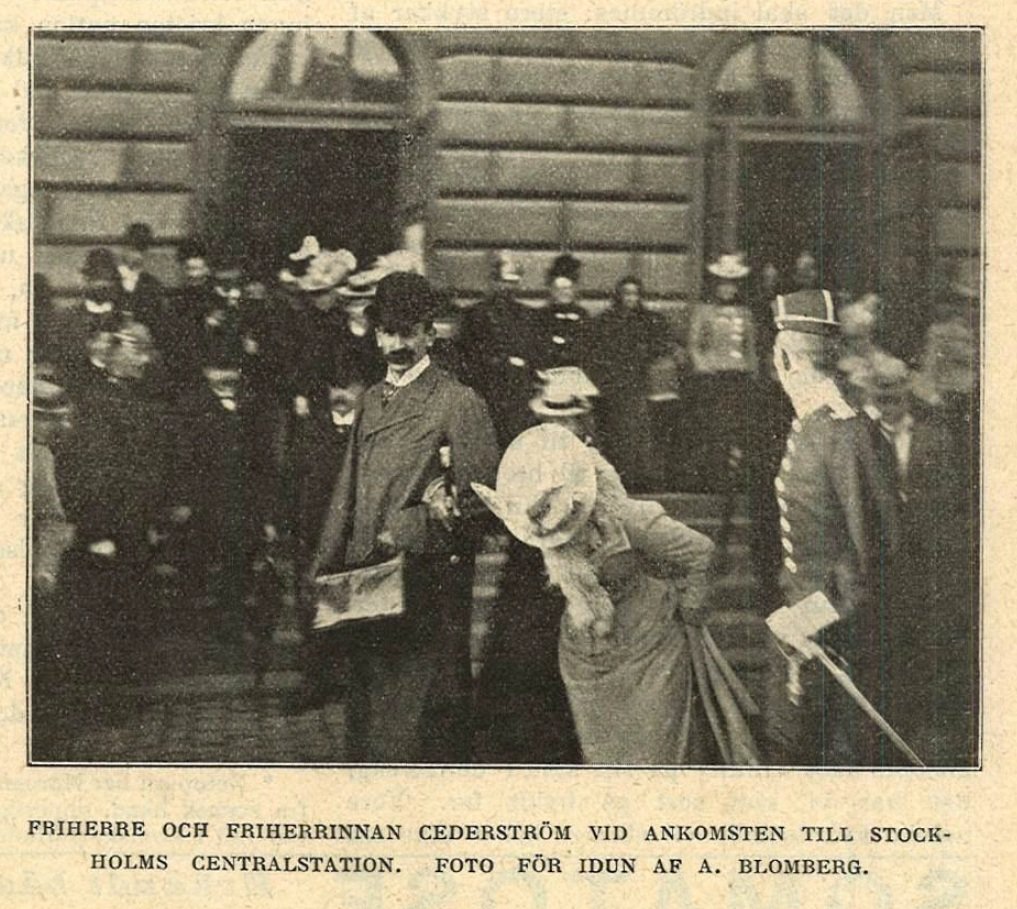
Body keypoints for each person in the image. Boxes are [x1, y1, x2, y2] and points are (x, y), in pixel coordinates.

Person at [473, 424, 759, 765]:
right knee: (605, 759)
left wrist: (690, 608)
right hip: (586, 658)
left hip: (652, 650)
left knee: (656, 756)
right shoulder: (542, 529)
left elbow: (701, 552)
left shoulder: (628, 519)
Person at [308, 271, 500, 762]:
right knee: (370, 708)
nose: (398, 343)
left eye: (409, 332)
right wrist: (329, 560)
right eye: (388, 332)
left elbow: (480, 502)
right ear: (375, 335)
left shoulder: (458, 401)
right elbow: (347, 488)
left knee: (421, 715)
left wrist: (411, 526)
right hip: (368, 575)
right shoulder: (371, 399)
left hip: (425, 580)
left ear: (429, 334)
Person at [762, 289, 901, 766]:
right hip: (804, 633)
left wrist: (809, 618)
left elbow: (872, 554)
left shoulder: (843, 433)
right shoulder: (812, 425)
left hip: (837, 642)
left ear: (787, 358)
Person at [586, 276, 674, 491]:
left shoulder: (650, 320)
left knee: (642, 434)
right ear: (619, 295)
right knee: (618, 434)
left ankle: (642, 479)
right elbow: (596, 352)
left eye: (635, 294)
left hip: (642, 385)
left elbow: (661, 347)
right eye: (627, 293)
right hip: (614, 386)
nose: (631, 298)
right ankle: (622, 479)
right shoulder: (605, 321)